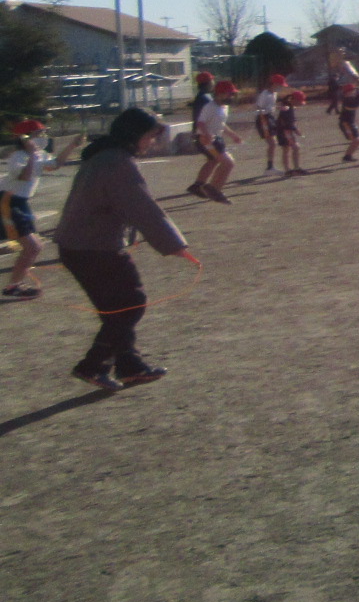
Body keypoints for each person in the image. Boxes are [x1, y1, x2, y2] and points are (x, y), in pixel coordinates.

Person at [50, 107, 194, 391]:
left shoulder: (103, 155)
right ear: (135, 134)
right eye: (150, 136)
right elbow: (142, 208)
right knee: (132, 303)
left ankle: (129, 365)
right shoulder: (117, 162)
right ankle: (93, 365)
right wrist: (174, 245)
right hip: (94, 248)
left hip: (78, 246)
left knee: (116, 309)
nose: (152, 142)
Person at [3, 120, 81, 298]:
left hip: (20, 202)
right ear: (25, 138)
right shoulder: (18, 157)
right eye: (39, 134)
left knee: (33, 247)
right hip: (8, 201)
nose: (43, 137)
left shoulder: (39, 154)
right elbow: (25, 176)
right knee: (33, 247)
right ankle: (13, 286)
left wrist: (72, 145)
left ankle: (14, 286)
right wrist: (32, 154)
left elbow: (56, 164)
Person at [186, 73, 241, 203]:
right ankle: (213, 189)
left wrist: (233, 135)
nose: (231, 97)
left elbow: (221, 124)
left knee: (221, 162)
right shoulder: (209, 106)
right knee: (228, 162)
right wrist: (206, 134)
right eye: (229, 94)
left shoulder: (224, 107)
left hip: (216, 139)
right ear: (220, 94)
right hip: (206, 140)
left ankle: (209, 187)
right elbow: (200, 123)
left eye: (232, 94)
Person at [254, 74, 281, 172]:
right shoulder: (265, 94)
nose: (280, 87)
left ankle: (270, 166)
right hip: (263, 119)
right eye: (279, 84)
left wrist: (279, 108)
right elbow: (259, 108)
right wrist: (264, 124)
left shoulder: (274, 94)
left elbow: (271, 107)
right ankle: (270, 167)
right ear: (274, 84)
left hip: (270, 117)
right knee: (272, 143)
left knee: (274, 143)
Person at [275, 88, 306, 174]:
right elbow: (286, 122)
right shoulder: (287, 108)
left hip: (287, 131)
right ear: (294, 100)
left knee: (288, 149)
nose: (300, 104)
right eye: (299, 101)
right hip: (284, 131)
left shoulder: (290, 107)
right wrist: (295, 129)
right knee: (293, 148)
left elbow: (292, 120)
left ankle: (293, 168)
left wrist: (295, 128)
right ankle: (291, 169)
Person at [337, 79, 359, 163]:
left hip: (350, 122)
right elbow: (354, 105)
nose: (354, 92)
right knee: (357, 139)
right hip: (346, 123)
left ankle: (348, 156)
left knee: (357, 140)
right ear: (347, 92)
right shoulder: (347, 100)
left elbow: (357, 101)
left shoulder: (350, 98)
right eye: (352, 91)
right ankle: (347, 156)